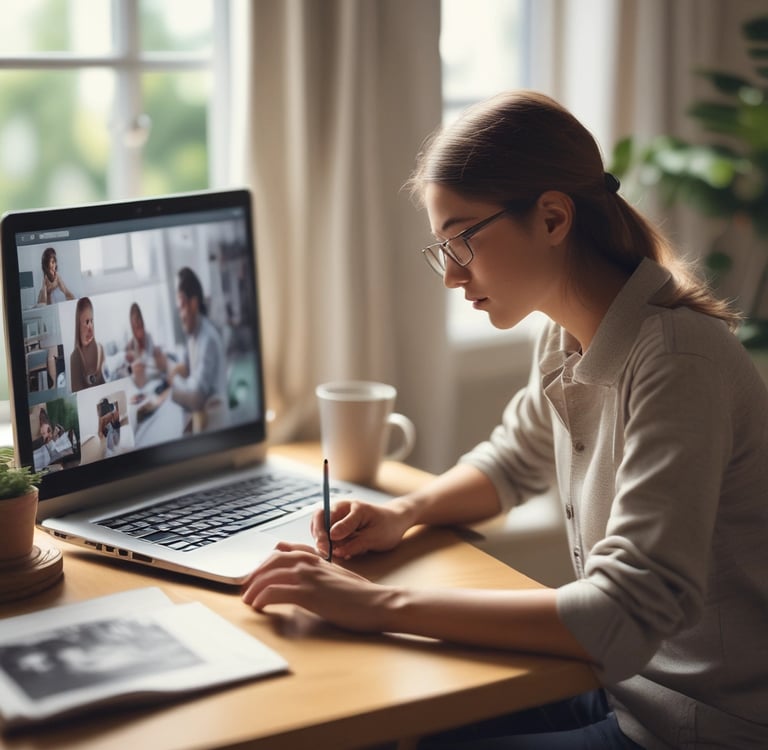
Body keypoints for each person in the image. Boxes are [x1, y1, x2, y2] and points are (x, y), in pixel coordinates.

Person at [241, 92, 768, 749]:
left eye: (461, 239)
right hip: (621, 682)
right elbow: (515, 459)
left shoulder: (678, 361)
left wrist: (372, 605)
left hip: (695, 722)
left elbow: (623, 611)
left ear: (552, 218)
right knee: (412, 714)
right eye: (442, 248)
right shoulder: (567, 332)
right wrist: (405, 513)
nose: (451, 276)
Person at [167, 267, 227, 431]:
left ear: (193, 304)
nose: (180, 314)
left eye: (182, 305)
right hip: (201, 418)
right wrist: (171, 371)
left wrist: (172, 388)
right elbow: (186, 367)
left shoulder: (208, 340)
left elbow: (196, 399)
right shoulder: (192, 333)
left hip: (214, 424)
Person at [124, 302, 167, 387]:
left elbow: (151, 360)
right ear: (132, 326)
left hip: (153, 376)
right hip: (141, 381)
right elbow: (128, 371)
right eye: (135, 325)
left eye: (139, 322)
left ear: (142, 321)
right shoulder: (130, 345)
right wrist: (131, 367)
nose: (137, 324)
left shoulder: (148, 337)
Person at [69, 297, 105, 392]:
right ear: (79, 325)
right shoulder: (75, 357)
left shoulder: (100, 349)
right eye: (86, 322)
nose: (90, 328)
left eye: (92, 321)